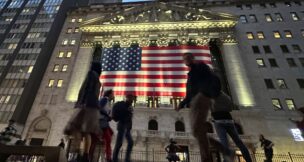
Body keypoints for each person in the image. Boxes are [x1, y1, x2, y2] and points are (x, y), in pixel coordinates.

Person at [176, 52, 232, 162]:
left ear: (192, 58)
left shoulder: (201, 66)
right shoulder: (190, 74)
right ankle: (226, 151)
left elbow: (214, 79)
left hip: (202, 98)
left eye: (188, 57)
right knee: (197, 131)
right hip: (194, 102)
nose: (186, 60)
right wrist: (181, 104)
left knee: (198, 130)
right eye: (184, 58)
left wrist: (208, 93)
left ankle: (207, 158)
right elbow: (189, 93)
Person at [64, 61, 102, 162]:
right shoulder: (98, 81)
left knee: (76, 128)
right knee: (87, 132)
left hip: (85, 104)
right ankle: (85, 155)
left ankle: (77, 152)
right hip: (93, 107)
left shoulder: (91, 74)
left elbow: (86, 89)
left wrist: (81, 103)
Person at [212, 91, 252, 162]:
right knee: (239, 143)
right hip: (229, 120)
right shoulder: (225, 96)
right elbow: (230, 108)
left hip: (219, 121)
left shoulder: (209, 95)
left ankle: (227, 157)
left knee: (225, 144)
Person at [112, 94, 135, 162]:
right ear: (127, 98)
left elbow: (129, 118)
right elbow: (121, 115)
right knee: (119, 143)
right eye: (131, 98)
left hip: (127, 128)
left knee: (130, 142)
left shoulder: (130, 107)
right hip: (122, 126)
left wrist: (130, 126)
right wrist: (127, 111)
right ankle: (115, 159)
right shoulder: (122, 105)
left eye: (133, 99)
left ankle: (127, 159)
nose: (132, 100)